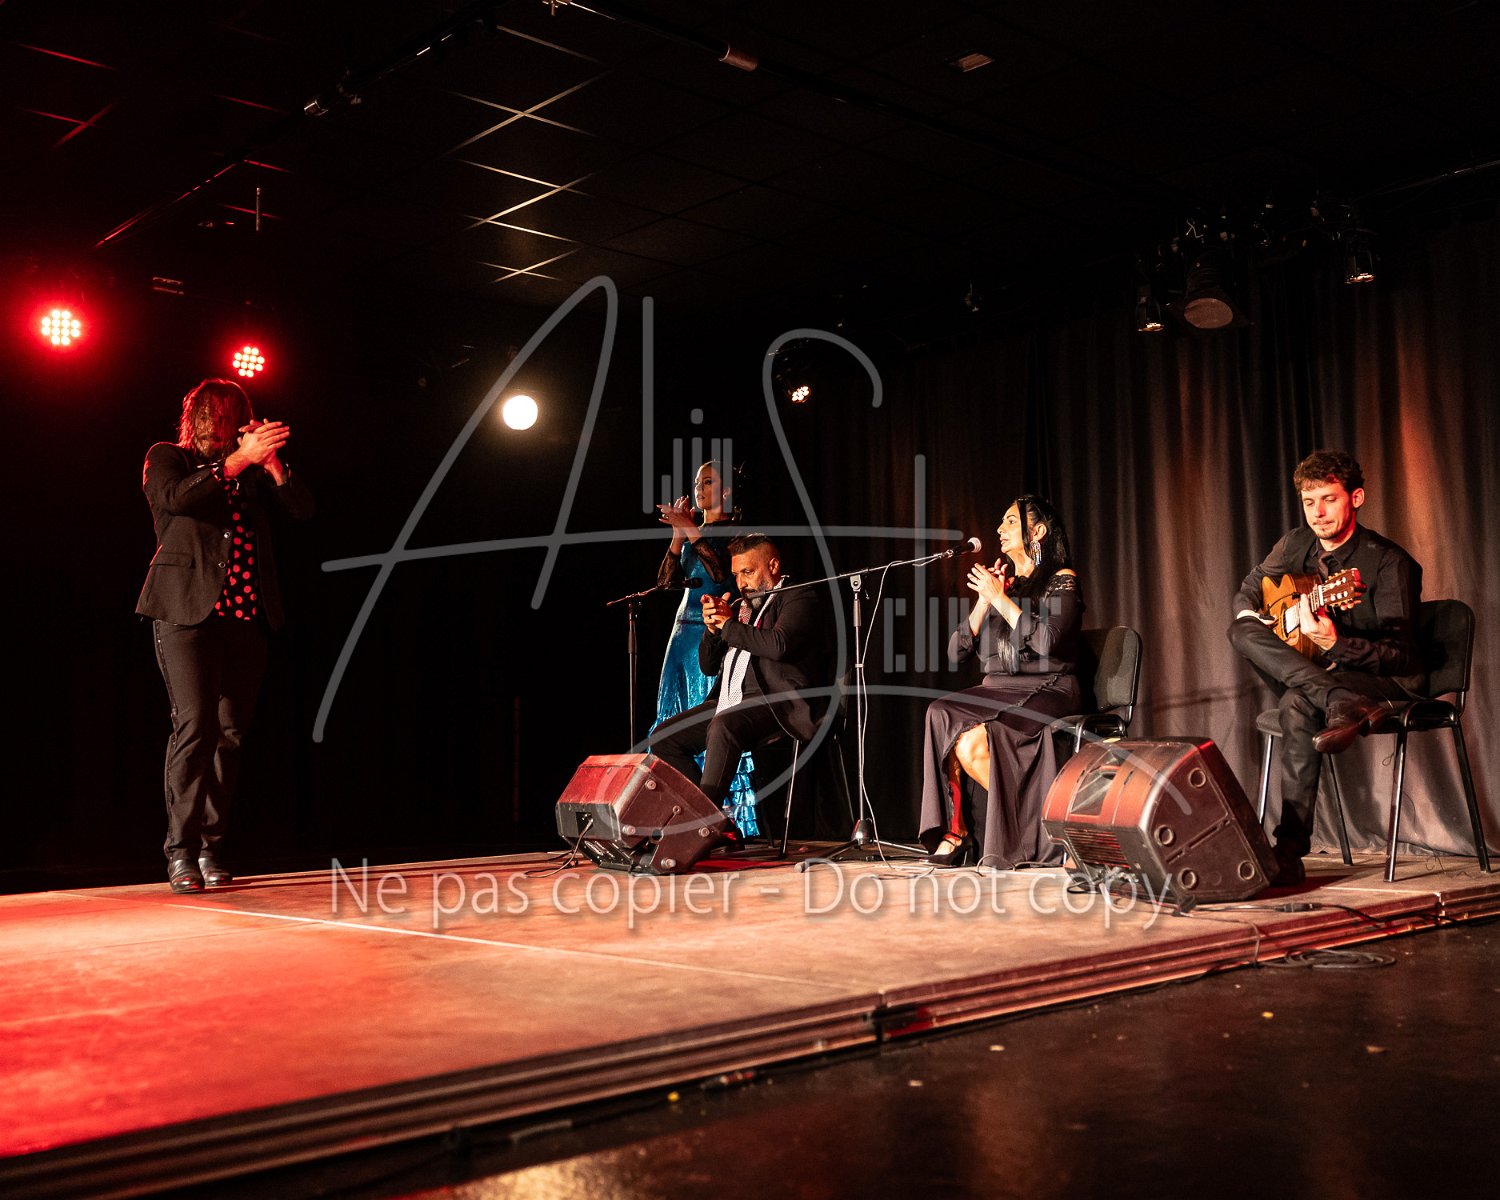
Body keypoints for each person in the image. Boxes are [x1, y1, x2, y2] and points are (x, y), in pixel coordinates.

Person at [136, 378, 314, 893]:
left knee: (230, 734)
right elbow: (175, 500)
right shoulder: (168, 458)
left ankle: (211, 848)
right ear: (198, 418)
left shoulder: (254, 473)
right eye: (220, 415)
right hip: (186, 613)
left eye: (237, 415)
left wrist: (272, 464)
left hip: (243, 615)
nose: (227, 424)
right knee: (195, 727)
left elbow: (303, 510)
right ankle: (181, 852)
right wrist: (236, 462)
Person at [1227, 449, 1423, 885]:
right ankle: (1336, 697)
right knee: (1240, 630)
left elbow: (1404, 657)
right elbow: (1251, 585)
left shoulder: (1389, 562)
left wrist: (1338, 643)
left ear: (1356, 498)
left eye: (1329, 499)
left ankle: (1288, 852)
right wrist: (1248, 610)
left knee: (1297, 703)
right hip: (1326, 676)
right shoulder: (1296, 543)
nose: (1318, 513)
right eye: (1309, 502)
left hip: (1384, 678)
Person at [919, 496, 1084, 868]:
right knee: (940, 712)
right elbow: (955, 652)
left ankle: (1042, 832)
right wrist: (984, 600)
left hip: (1048, 687)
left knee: (974, 740)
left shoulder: (1062, 580)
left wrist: (1001, 598)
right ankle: (957, 832)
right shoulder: (1005, 585)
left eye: (1011, 521)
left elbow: (1045, 642)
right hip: (997, 687)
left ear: (1037, 532)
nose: (999, 529)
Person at [651, 533, 832, 843]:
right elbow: (708, 666)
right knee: (664, 738)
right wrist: (712, 631)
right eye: (736, 574)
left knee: (724, 725)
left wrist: (728, 626)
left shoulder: (797, 596)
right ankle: (715, 823)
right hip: (729, 699)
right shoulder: (740, 606)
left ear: (772, 566)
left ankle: (700, 831)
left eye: (747, 572)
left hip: (776, 702)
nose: (740, 583)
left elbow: (778, 645)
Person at [649, 461, 757, 832]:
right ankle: (678, 814)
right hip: (681, 633)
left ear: (725, 491)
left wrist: (692, 530)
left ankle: (721, 816)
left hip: (711, 629)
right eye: (697, 482)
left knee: (709, 721)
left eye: (708, 482)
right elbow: (666, 582)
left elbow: (721, 575)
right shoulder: (695, 531)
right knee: (671, 717)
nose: (699, 488)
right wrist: (678, 536)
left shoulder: (736, 533)